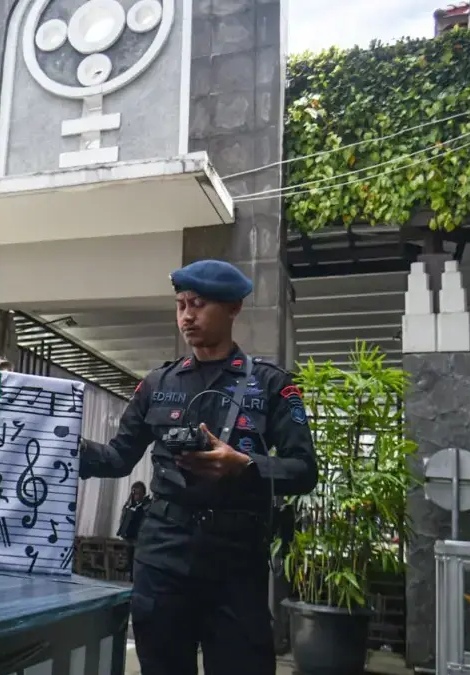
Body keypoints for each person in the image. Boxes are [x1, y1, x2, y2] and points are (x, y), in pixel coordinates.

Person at [78, 259, 319, 675]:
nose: (186, 316)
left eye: (199, 304)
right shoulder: (158, 384)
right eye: (181, 305)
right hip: (163, 556)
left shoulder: (272, 384)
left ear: (233, 308)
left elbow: (304, 470)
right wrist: (65, 444)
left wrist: (244, 465)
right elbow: (118, 458)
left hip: (236, 563)